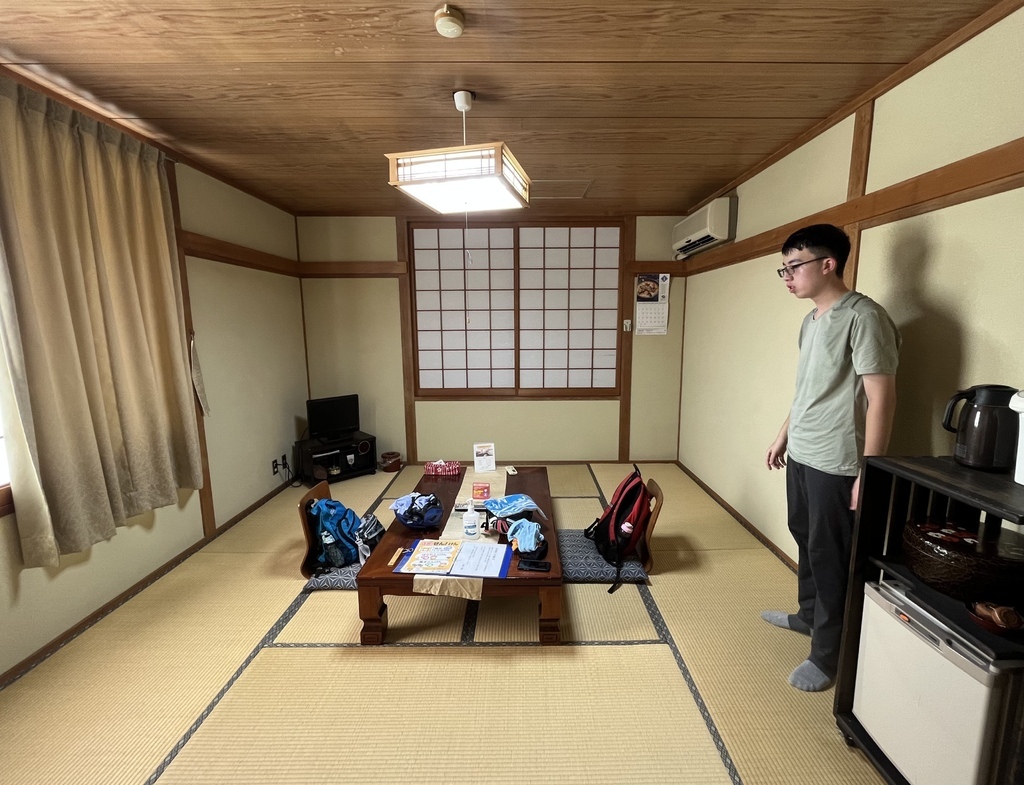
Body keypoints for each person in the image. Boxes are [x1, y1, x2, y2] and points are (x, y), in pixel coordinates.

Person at [763, 224, 900, 692]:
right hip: (803, 451)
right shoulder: (812, 320)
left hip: (837, 460)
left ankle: (826, 657)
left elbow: (881, 398)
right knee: (803, 535)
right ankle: (807, 616)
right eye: (783, 269)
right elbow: (808, 390)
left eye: (794, 266)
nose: (787, 276)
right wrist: (784, 433)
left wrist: (870, 471)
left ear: (828, 263)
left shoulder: (865, 317)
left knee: (830, 554)